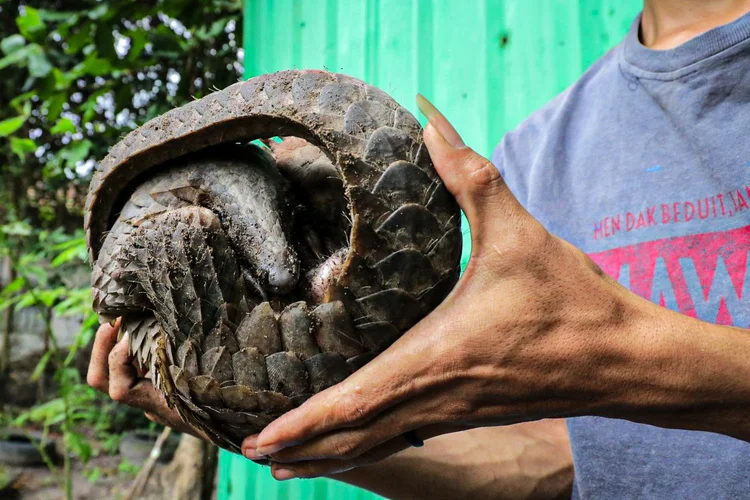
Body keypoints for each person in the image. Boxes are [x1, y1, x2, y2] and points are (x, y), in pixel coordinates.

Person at [87, 1, 750, 498]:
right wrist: (271, 415)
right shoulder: (541, 148)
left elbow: (605, 369)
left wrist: (624, 357)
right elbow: (562, 463)